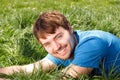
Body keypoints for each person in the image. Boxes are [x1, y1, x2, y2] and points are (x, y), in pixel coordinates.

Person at [0, 11, 120, 79]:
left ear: (70, 29)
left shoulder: (91, 43)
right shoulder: (63, 51)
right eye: (47, 44)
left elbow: (67, 78)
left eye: (59, 36)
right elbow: (30, 69)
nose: (56, 47)